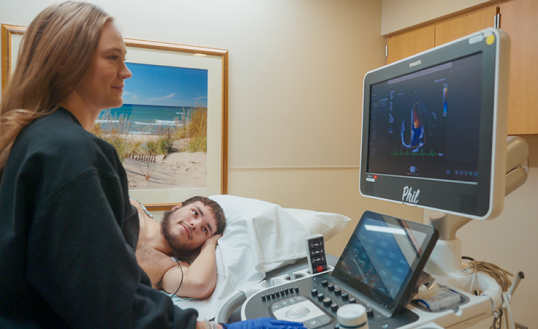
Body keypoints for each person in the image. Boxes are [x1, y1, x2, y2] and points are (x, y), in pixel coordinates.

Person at [0, 2, 305, 329]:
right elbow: (108, 303)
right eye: (113, 57)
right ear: (64, 60)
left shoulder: (32, 140)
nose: (126, 72)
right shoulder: (72, 152)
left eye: (205, 228)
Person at [131, 196, 225, 299]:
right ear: (177, 208)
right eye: (195, 213)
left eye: (205, 229)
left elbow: (199, 285)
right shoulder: (132, 208)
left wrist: (210, 244)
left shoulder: (169, 269)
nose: (195, 225)